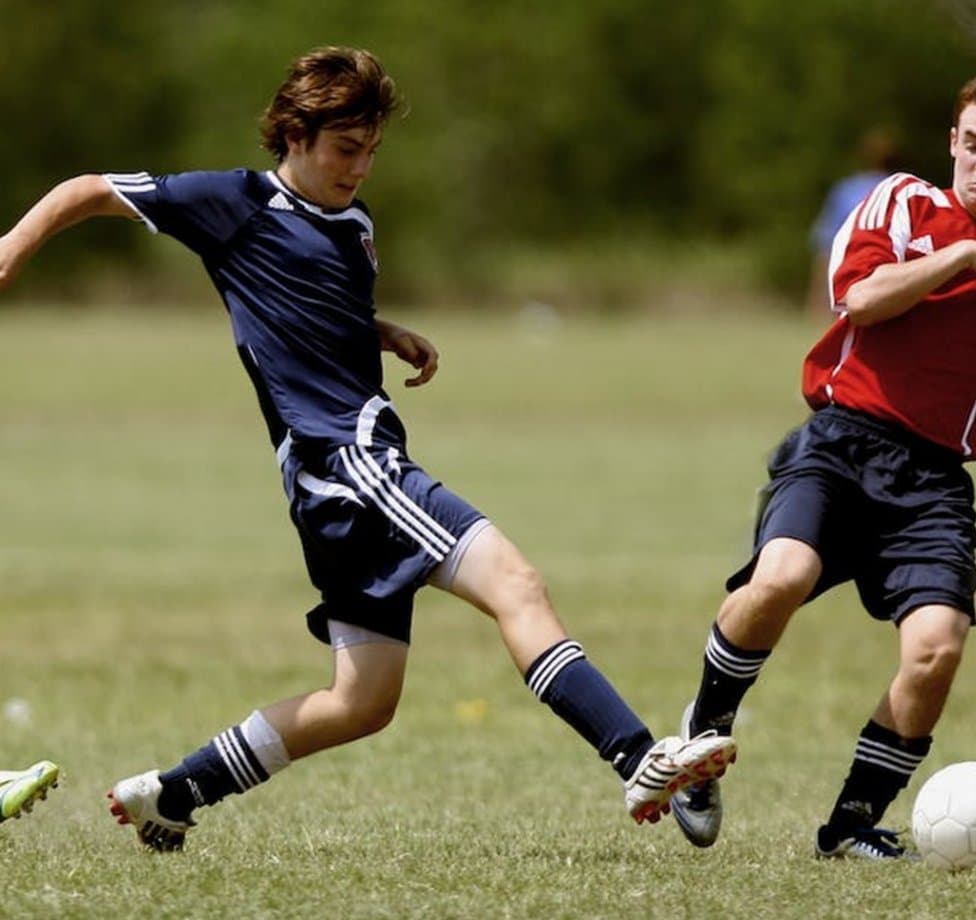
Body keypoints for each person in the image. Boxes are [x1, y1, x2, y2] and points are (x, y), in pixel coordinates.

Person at [0, 47, 736, 852]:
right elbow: (88, 191)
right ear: (294, 134)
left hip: (334, 480)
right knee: (516, 583)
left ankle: (174, 791)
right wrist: (11, 248)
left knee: (363, 700)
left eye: (371, 153)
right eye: (345, 150)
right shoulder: (235, 203)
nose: (359, 169)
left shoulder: (354, 226)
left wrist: (380, 333)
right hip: (350, 467)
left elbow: (312, 308)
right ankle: (637, 754)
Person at [670, 71, 976, 858]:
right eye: (971, 144)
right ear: (951, 143)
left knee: (937, 647)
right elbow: (860, 299)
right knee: (780, 580)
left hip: (932, 481)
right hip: (840, 443)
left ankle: (852, 824)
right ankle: (701, 738)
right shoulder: (902, 202)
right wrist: (963, 253)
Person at [804, 127, 903, 320]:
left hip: (849, 272)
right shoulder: (902, 190)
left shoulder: (847, 190)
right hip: (885, 276)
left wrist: (817, 296)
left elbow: (825, 244)